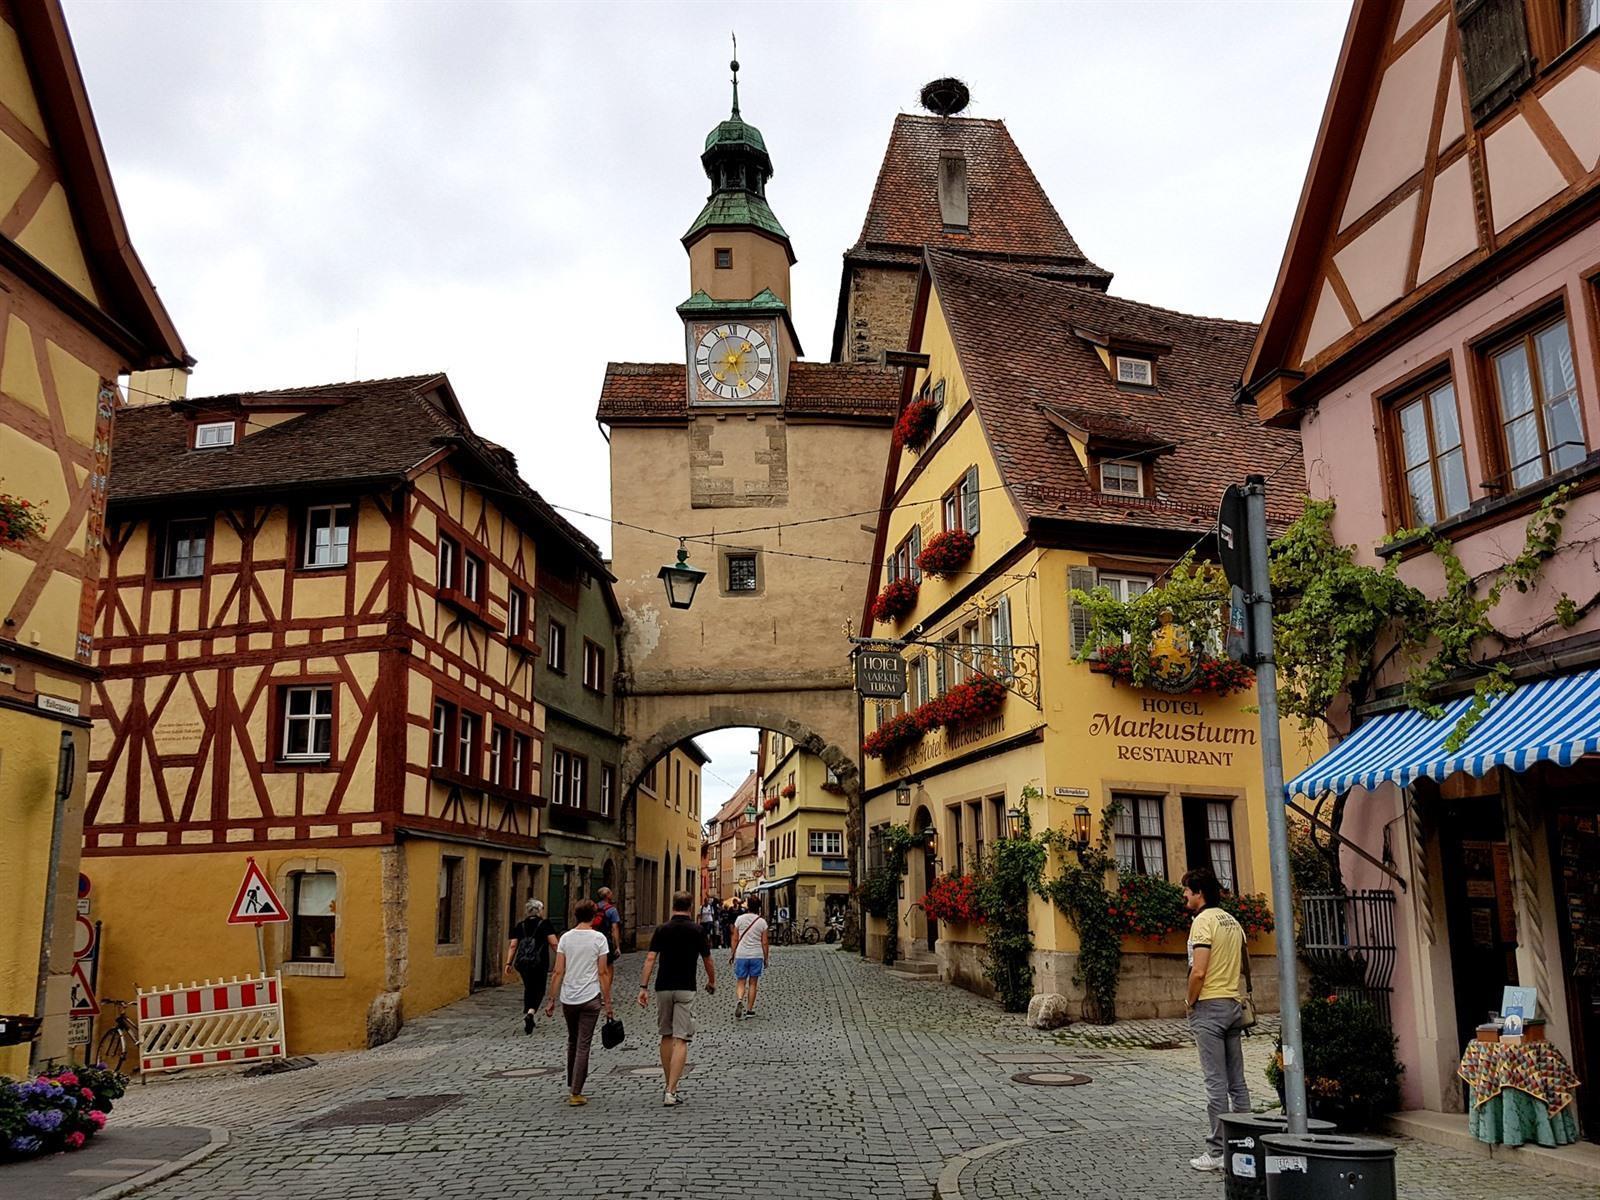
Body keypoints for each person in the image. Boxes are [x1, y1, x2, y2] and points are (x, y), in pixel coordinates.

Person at [1182, 866, 1249, 1172]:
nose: (1184, 895)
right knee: (1238, 1083)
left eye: (1187, 890)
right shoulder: (1233, 921)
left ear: (1200, 893)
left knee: (1215, 1084)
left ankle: (1218, 1152)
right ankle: (1247, 1145)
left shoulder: (1203, 922)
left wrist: (1189, 1000)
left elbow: (1199, 970)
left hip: (1210, 1005)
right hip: (1234, 1003)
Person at [637, 890, 715, 1106]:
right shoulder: (697, 930)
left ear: (673, 905)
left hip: (663, 987)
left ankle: (667, 1082)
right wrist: (712, 981)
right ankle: (671, 1090)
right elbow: (708, 959)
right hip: (686, 988)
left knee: (666, 1035)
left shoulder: (662, 929)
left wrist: (643, 987)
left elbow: (650, 959)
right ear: (690, 907)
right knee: (681, 1038)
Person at [545, 898, 615, 1106]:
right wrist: (608, 1003)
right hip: (591, 996)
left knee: (572, 1041)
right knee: (583, 1044)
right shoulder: (599, 939)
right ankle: (576, 1091)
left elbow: (558, 971)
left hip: (569, 998)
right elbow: (603, 972)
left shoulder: (565, 938)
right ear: (594, 916)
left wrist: (551, 999)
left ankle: (572, 1082)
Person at [504, 898, 558, 1033]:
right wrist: (562, 956)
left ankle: (528, 1011)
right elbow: (554, 943)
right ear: (539, 910)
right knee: (539, 988)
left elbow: (513, 945)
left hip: (523, 963)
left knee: (529, 987)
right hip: (539, 962)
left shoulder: (520, 925)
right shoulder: (545, 924)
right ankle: (531, 1012)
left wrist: (508, 963)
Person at [729, 893, 769, 1020]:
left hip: (741, 954)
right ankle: (749, 1010)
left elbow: (735, 938)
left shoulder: (739, 919)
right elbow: (765, 942)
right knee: (753, 983)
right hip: (756, 955)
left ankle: (740, 999)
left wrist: (733, 953)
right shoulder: (762, 922)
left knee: (741, 981)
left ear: (748, 906)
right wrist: (766, 957)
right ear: (759, 908)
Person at [596, 886, 622, 962]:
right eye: (610, 892)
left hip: (594, 938)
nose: (612, 894)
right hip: (606, 939)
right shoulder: (612, 910)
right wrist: (617, 946)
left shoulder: (594, 907)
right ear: (607, 895)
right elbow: (615, 928)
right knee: (608, 964)